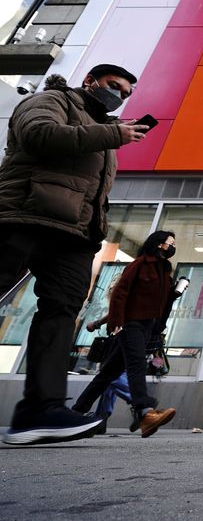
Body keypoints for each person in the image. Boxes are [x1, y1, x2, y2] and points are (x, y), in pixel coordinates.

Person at [0, 64, 150, 445]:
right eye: (113, 86)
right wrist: (112, 134)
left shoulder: (104, 135)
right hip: (24, 216)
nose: (119, 95)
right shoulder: (53, 100)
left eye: (126, 93)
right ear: (90, 81)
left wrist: (95, 231)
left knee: (61, 314)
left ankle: (40, 411)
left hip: (74, 235)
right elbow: (38, 135)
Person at [72, 230, 179, 438]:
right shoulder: (139, 264)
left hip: (148, 328)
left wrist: (173, 296)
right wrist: (115, 322)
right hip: (131, 324)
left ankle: (77, 411)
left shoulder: (165, 270)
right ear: (159, 244)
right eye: (170, 242)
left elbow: (162, 305)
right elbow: (121, 292)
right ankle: (145, 412)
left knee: (107, 375)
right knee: (136, 363)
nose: (173, 246)